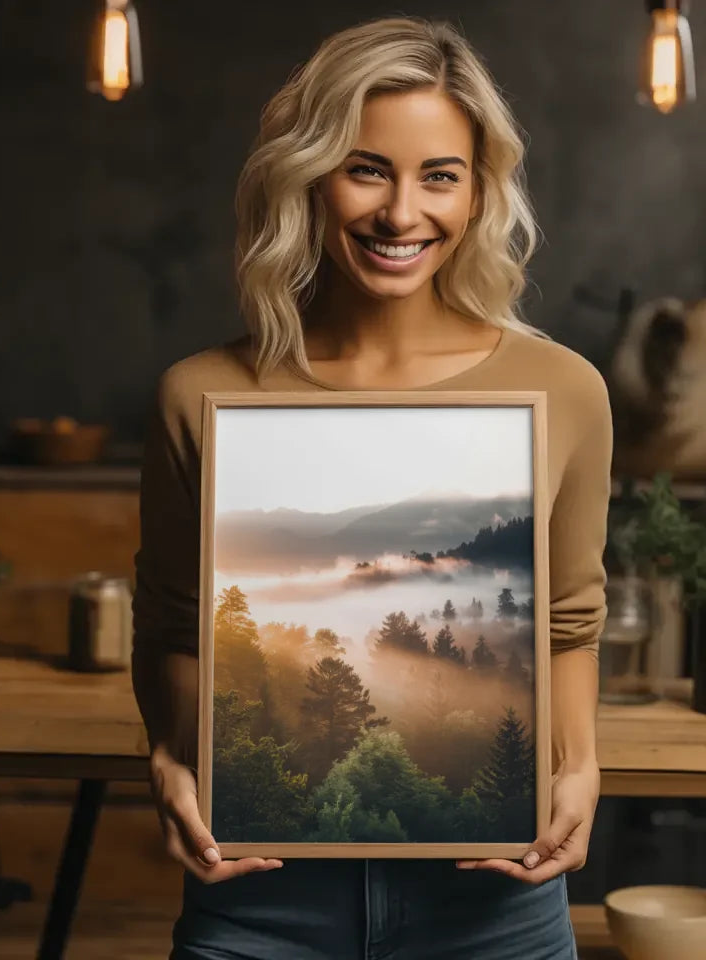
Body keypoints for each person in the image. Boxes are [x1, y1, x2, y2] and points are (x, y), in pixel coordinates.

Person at [132, 16, 612, 960]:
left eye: (440, 175)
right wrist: (167, 755)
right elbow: (171, 625)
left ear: (479, 194)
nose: (402, 214)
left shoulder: (565, 390)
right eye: (366, 169)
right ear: (307, 178)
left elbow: (567, 623)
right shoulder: (202, 395)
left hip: (493, 906)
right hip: (258, 900)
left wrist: (581, 767)